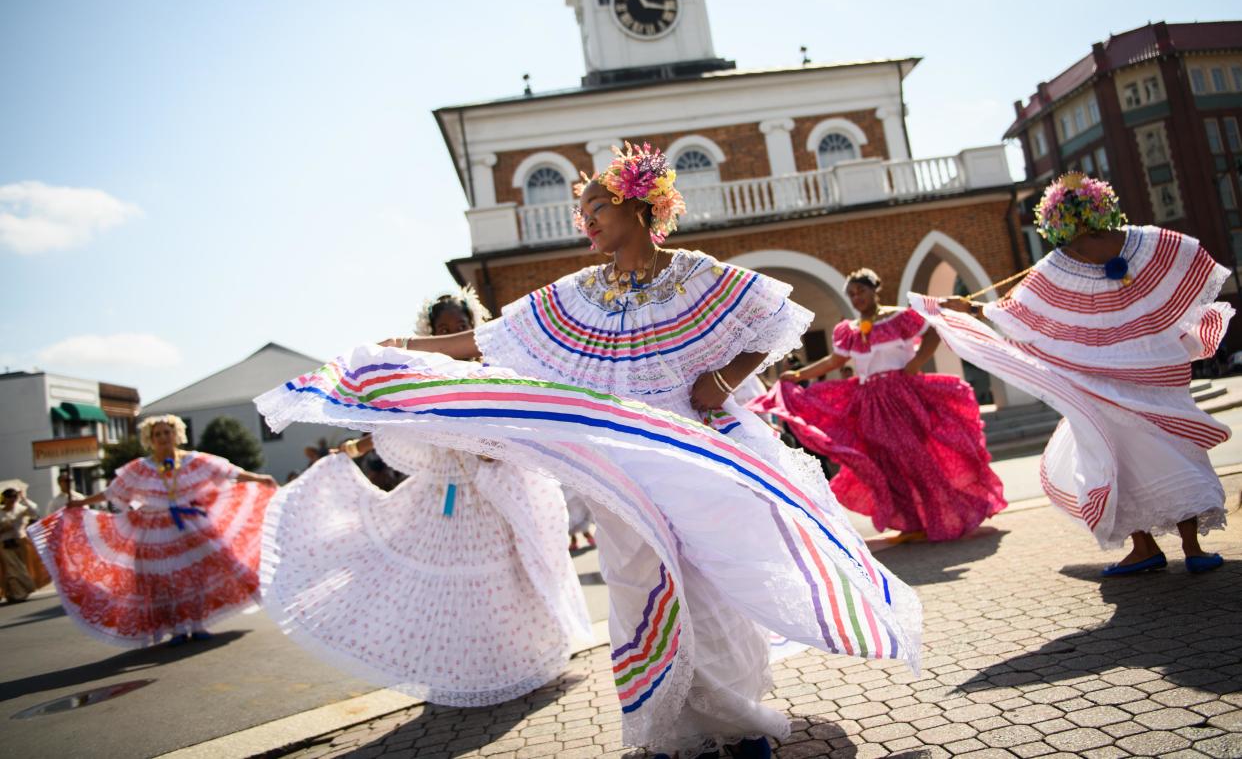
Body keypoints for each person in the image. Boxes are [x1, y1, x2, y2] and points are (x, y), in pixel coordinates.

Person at [261, 143, 922, 759]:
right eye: (583, 214)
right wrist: (400, 352)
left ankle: (734, 713)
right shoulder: (579, 292)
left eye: (597, 208)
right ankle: (677, 721)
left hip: (695, 450)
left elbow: (778, 319)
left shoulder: (694, 274)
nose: (588, 223)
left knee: (704, 580)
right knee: (638, 583)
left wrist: (720, 381)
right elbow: (486, 341)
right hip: (620, 467)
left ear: (640, 205)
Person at [259, 289, 593, 707]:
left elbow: (507, 433)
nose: (452, 333)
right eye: (443, 329)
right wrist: (354, 450)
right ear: (430, 334)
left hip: (491, 497)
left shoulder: (491, 373)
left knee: (502, 583)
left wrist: (486, 441)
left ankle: (522, 666)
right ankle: (459, 673)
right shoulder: (423, 378)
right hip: (442, 500)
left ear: (472, 329)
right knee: (453, 591)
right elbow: (397, 420)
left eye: (459, 328)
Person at [918, 172, 1233, 575]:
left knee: (1114, 460)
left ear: (1054, 220)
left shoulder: (1060, 263)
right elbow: (1192, 260)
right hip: (1155, 366)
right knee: (1173, 450)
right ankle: (1193, 548)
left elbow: (1016, 313)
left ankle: (1145, 547)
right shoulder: (1144, 240)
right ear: (1102, 206)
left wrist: (968, 309)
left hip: (1100, 381)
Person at [749, 268, 1007, 542]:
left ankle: (944, 516)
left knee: (916, 456)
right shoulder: (849, 331)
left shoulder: (900, 317)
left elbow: (934, 330)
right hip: (870, 403)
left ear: (874, 289)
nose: (856, 297)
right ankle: (912, 524)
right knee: (888, 463)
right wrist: (799, 375)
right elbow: (833, 362)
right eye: (852, 294)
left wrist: (916, 363)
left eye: (861, 291)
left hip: (903, 397)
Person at [28, 415, 277, 646]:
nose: (163, 437)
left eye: (167, 432)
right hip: (155, 529)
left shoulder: (194, 460)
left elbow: (228, 472)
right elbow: (113, 492)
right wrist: (82, 503)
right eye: (157, 434)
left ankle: (198, 624)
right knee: (164, 579)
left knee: (195, 575)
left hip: (191, 526)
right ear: (150, 438)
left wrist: (258, 478)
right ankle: (178, 628)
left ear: (176, 434)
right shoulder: (139, 468)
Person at [0, 487, 39, 603]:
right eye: (9, 497)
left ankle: (16, 592)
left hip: (21, 542)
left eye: (14, 496)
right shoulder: (1, 512)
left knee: (24, 568)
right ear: (5, 498)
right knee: (13, 569)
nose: (12, 499)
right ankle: (17, 594)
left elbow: (34, 512)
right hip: (5, 544)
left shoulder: (21, 509)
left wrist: (24, 498)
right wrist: (3, 528)